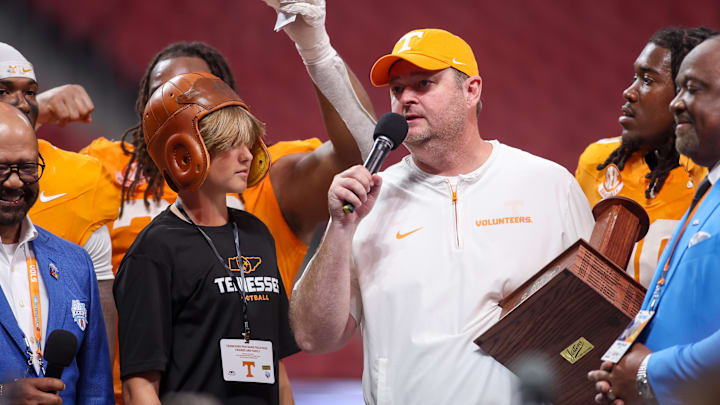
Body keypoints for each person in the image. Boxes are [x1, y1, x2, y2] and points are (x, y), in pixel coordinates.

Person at [290, 28, 595, 404]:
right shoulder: (368, 200)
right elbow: (313, 338)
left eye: (424, 84)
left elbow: (597, 319)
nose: (406, 99)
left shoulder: (549, 186)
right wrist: (339, 228)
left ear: (472, 90)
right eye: (397, 89)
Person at [113, 72, 299, 405]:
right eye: (231, 143)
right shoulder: (154, 251)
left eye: (249, 142)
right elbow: (139, 384)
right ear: (185, 153)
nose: (246, 155)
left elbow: (278, 371)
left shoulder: (257, 235)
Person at [589, 34, 720, 405]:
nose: (677, 103)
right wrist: (621, 372)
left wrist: (649, 375)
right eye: (678, 89)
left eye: (693, 89)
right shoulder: (709, 192)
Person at [0, 43, 120, 356]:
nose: (23, 104)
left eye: (30, 93)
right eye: (3, 90)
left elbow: (101, 295)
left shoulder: (80, 176)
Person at [575, 27, 717, 286]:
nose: (629, 92)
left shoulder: (708, 179)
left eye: (647, 80)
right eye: (635, 77)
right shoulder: (597, 162)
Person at [0, 103, 113, 404]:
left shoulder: (75, 263)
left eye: (26, 168)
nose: (14, 181)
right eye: (1, 168)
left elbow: (96, 388)